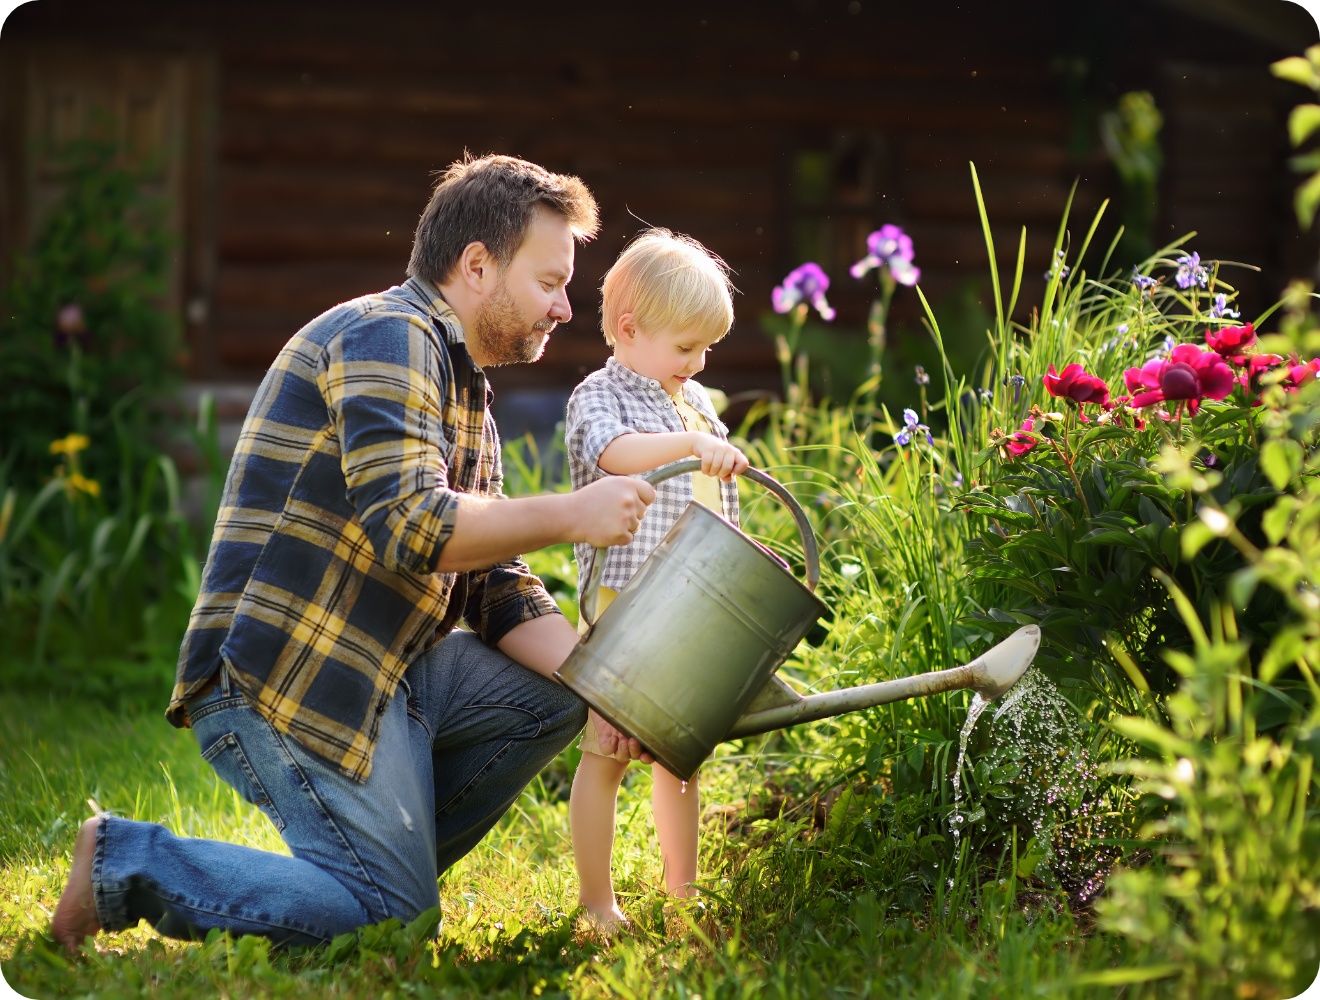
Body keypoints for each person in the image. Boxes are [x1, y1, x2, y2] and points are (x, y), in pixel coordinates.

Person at [50, 153, 658, 953]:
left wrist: (615, 689)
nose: (565, 308)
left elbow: (494, 588)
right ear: (477, 265)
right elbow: (413, 525)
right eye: (550, 282)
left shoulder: (464, 388)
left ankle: (359, 874)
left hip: (387, 672)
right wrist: (574, 515)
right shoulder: (385, 335)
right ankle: (126, 861)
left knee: (557, 693)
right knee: (394, 925)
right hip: (290, 675)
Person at [563, 228, 748, 931]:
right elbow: (615, 456)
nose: (696, 363)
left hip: (691, 608)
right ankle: (597, 902)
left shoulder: (694, 402)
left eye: (706, 351)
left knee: (681, 759)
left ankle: (683, 892)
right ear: (631, 328)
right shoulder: (598, 396)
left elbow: (711, 501)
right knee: (606, 756)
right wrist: (694, 445)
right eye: (685, 348)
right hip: (625, 608)